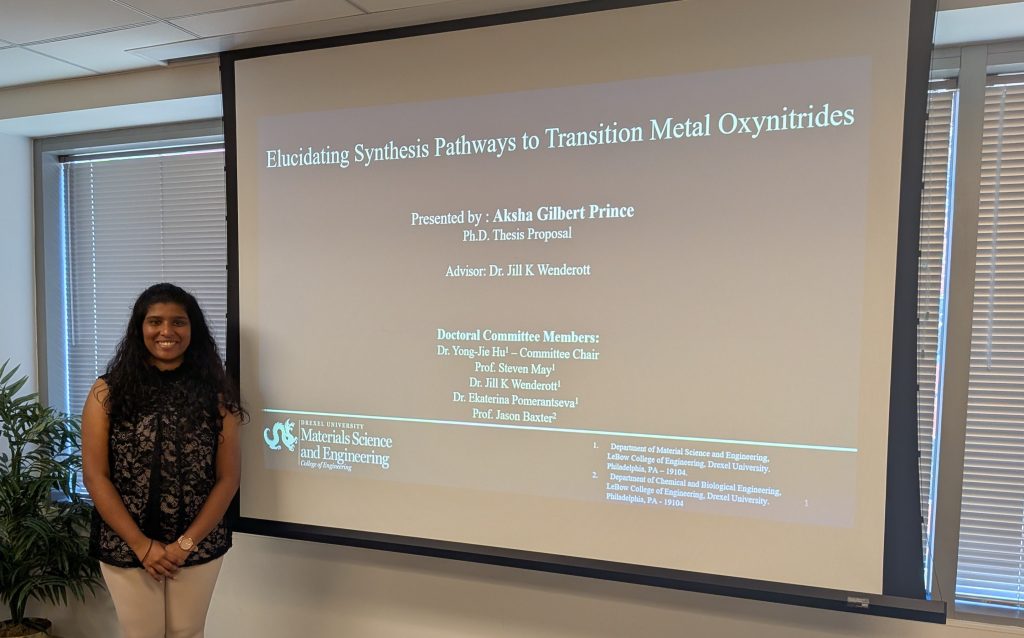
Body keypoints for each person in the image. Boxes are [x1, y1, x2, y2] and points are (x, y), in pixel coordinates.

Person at [82, 283, 244, 638]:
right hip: (125, 541)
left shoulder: (217, 396)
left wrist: (185, 545)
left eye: (178, 322)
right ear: (140, 328)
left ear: (192, 329)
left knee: (187, 632)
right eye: (155, 321)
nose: (166, 331)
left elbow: (228, 478)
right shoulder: (106, 392)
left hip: (198, 541)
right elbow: (95, 476)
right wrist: (141, 545)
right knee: (144, 634)